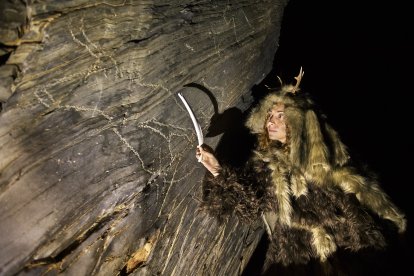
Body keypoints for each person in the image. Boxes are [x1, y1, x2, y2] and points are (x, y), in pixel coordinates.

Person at [196, 68, 406, 271]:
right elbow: (250, 200)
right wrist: (215, 167)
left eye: (280, 115)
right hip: (296, 250)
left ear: (298, 119)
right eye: (269, 115)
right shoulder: (266, 163)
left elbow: (361, 189)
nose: (271, 120)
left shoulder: (327, 152)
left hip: (346, 241)